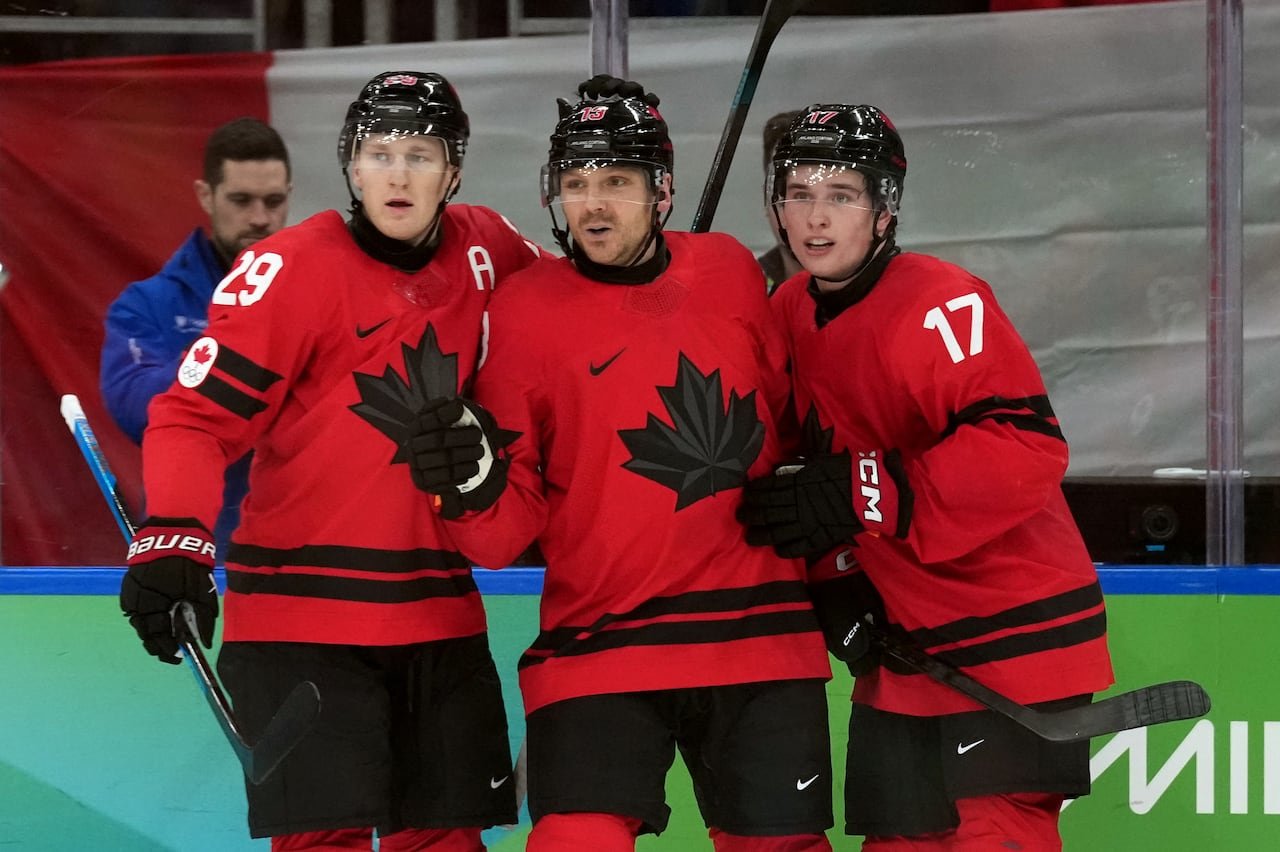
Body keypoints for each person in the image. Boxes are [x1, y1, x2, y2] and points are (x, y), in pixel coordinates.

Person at [402, 76, 835, 852]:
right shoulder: (525, 308)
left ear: (662, 190)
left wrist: (822, 495)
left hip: (756, 637)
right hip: (599, 643)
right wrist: (468, 488)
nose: (593, 206)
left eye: (616, 182)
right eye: (575, 183)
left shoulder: (732, 269)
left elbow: (788, 428)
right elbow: (503, 538)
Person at [118, 71, 541, 851]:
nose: (399, 174)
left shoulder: (492, 249)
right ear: (350, 165)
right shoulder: (290, 272)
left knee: (446, 841)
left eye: (421, 153)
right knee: (324, 842)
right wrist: (174, 534)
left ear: (455, 170)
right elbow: (192, 417)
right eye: (378, 153)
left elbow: (572, 317)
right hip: (297, 619)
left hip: (437, 611)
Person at [737, 104, 1116, 850]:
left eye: (841, 195)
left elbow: (1024, 446)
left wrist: (862, 491)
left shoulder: (944, 300)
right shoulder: (787, 310)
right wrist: (835, 574)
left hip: (1010, 637)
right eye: (799, 193)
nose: (815, 217)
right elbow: (797, 475)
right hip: (905, 647)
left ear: (884, 210)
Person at [100, 116, 292, 552]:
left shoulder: (325, 298)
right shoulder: (145, 304)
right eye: (241, 200)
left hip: (306, 556)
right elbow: (137, 411)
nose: (260, 218)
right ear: (206, 196)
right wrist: (240, 343)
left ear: (290, 198)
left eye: (273, 201)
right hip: (194, 553)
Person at [756, 110, 802, 291]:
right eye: (784, 190)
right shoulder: (738, 293)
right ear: (766, 198)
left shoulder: (892, 296)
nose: (813, 215)